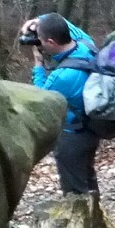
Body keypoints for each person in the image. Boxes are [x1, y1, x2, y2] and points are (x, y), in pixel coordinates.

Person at [21, 12, 101, 197]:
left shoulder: (62, 76)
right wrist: (38, 21)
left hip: (73, 137)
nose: (38, 43)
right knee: (87, 177)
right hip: (91, 129)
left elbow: (41, 99)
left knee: (75, 191)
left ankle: (82, 220)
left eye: (39, 39)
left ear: (51, 42)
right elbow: (63, 22)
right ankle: (96, 214)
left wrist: (38, 64)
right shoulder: (85, 43)